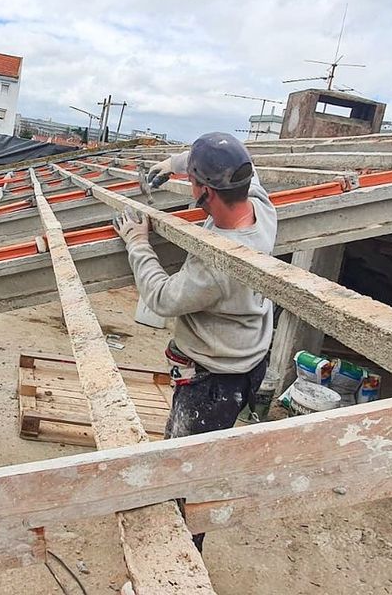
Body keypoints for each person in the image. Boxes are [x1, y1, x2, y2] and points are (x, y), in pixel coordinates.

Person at [114, 132, 277, 548]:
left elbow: (162, 296)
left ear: (205, 193)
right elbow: (232, 163)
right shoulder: (259, 204)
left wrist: (137, 243)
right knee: (194, 451)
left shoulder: (217, 265)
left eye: (192, 181)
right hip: (250, 354)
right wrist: (173, 163)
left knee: (185, 470)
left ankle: (181, 555)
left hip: (214, 379)